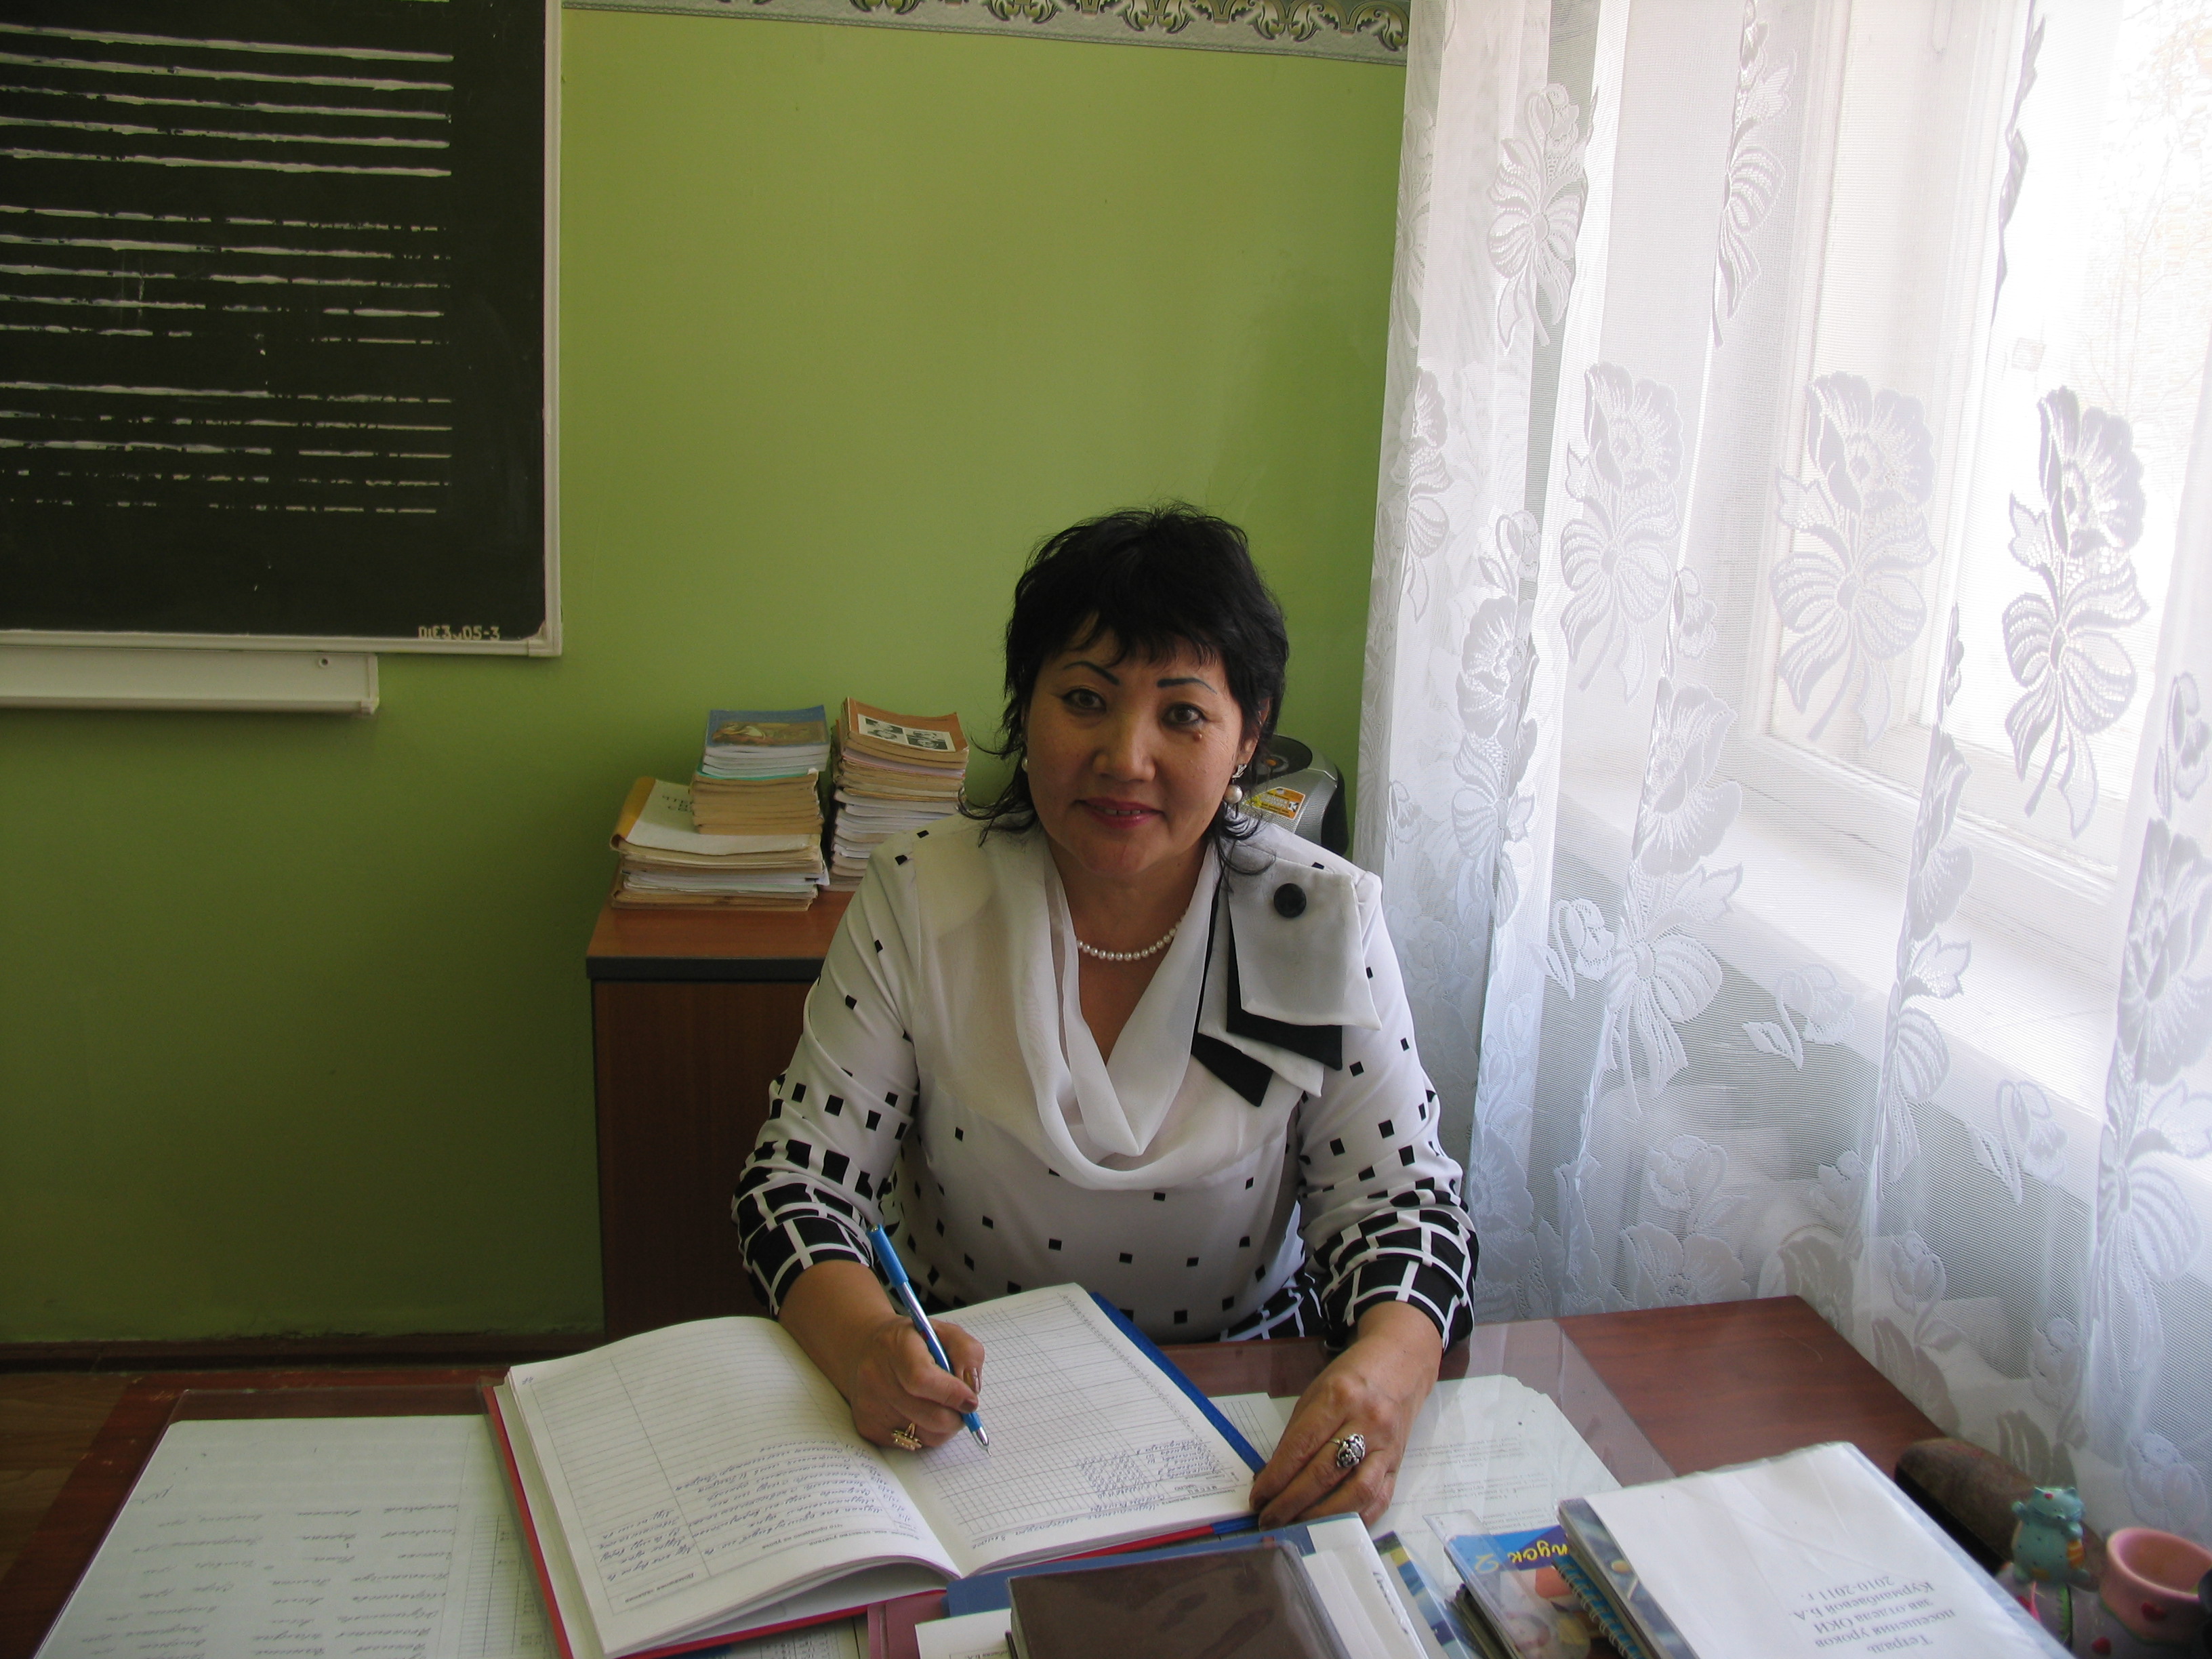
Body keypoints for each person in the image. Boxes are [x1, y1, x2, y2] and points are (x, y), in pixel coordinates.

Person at [733, 506, 1476, 1528]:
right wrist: (868, 1343)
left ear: (1250, 736)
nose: (1127, 757)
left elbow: (1405, 1207)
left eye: (1183, 715)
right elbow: (795, 1186)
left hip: (1244, 1416)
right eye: (1085, 699)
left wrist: (1385, 1373)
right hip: (969, 1417)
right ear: (1025, 706)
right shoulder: (920, 896)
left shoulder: (1313, 920)